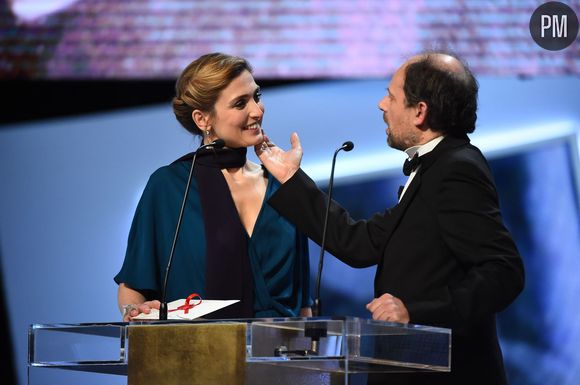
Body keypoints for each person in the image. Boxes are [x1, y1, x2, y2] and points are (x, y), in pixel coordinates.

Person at [255, 52, 525, 385]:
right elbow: (360, 244)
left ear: (420, 112)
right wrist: (292, 178)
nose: (382, 104)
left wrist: (415, 312)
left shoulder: (457, 169)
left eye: (392, 96)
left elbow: (504, 271)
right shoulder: (437, 166)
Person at [115, 53, 312, 321]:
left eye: (256, 96)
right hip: (199, 355)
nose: (257, 110)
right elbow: (133, 288)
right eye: (240, 103)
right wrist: (133, 313)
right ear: (203, 119)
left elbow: (303, 305)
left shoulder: (282, 187)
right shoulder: (170, 187)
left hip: (278, 356)